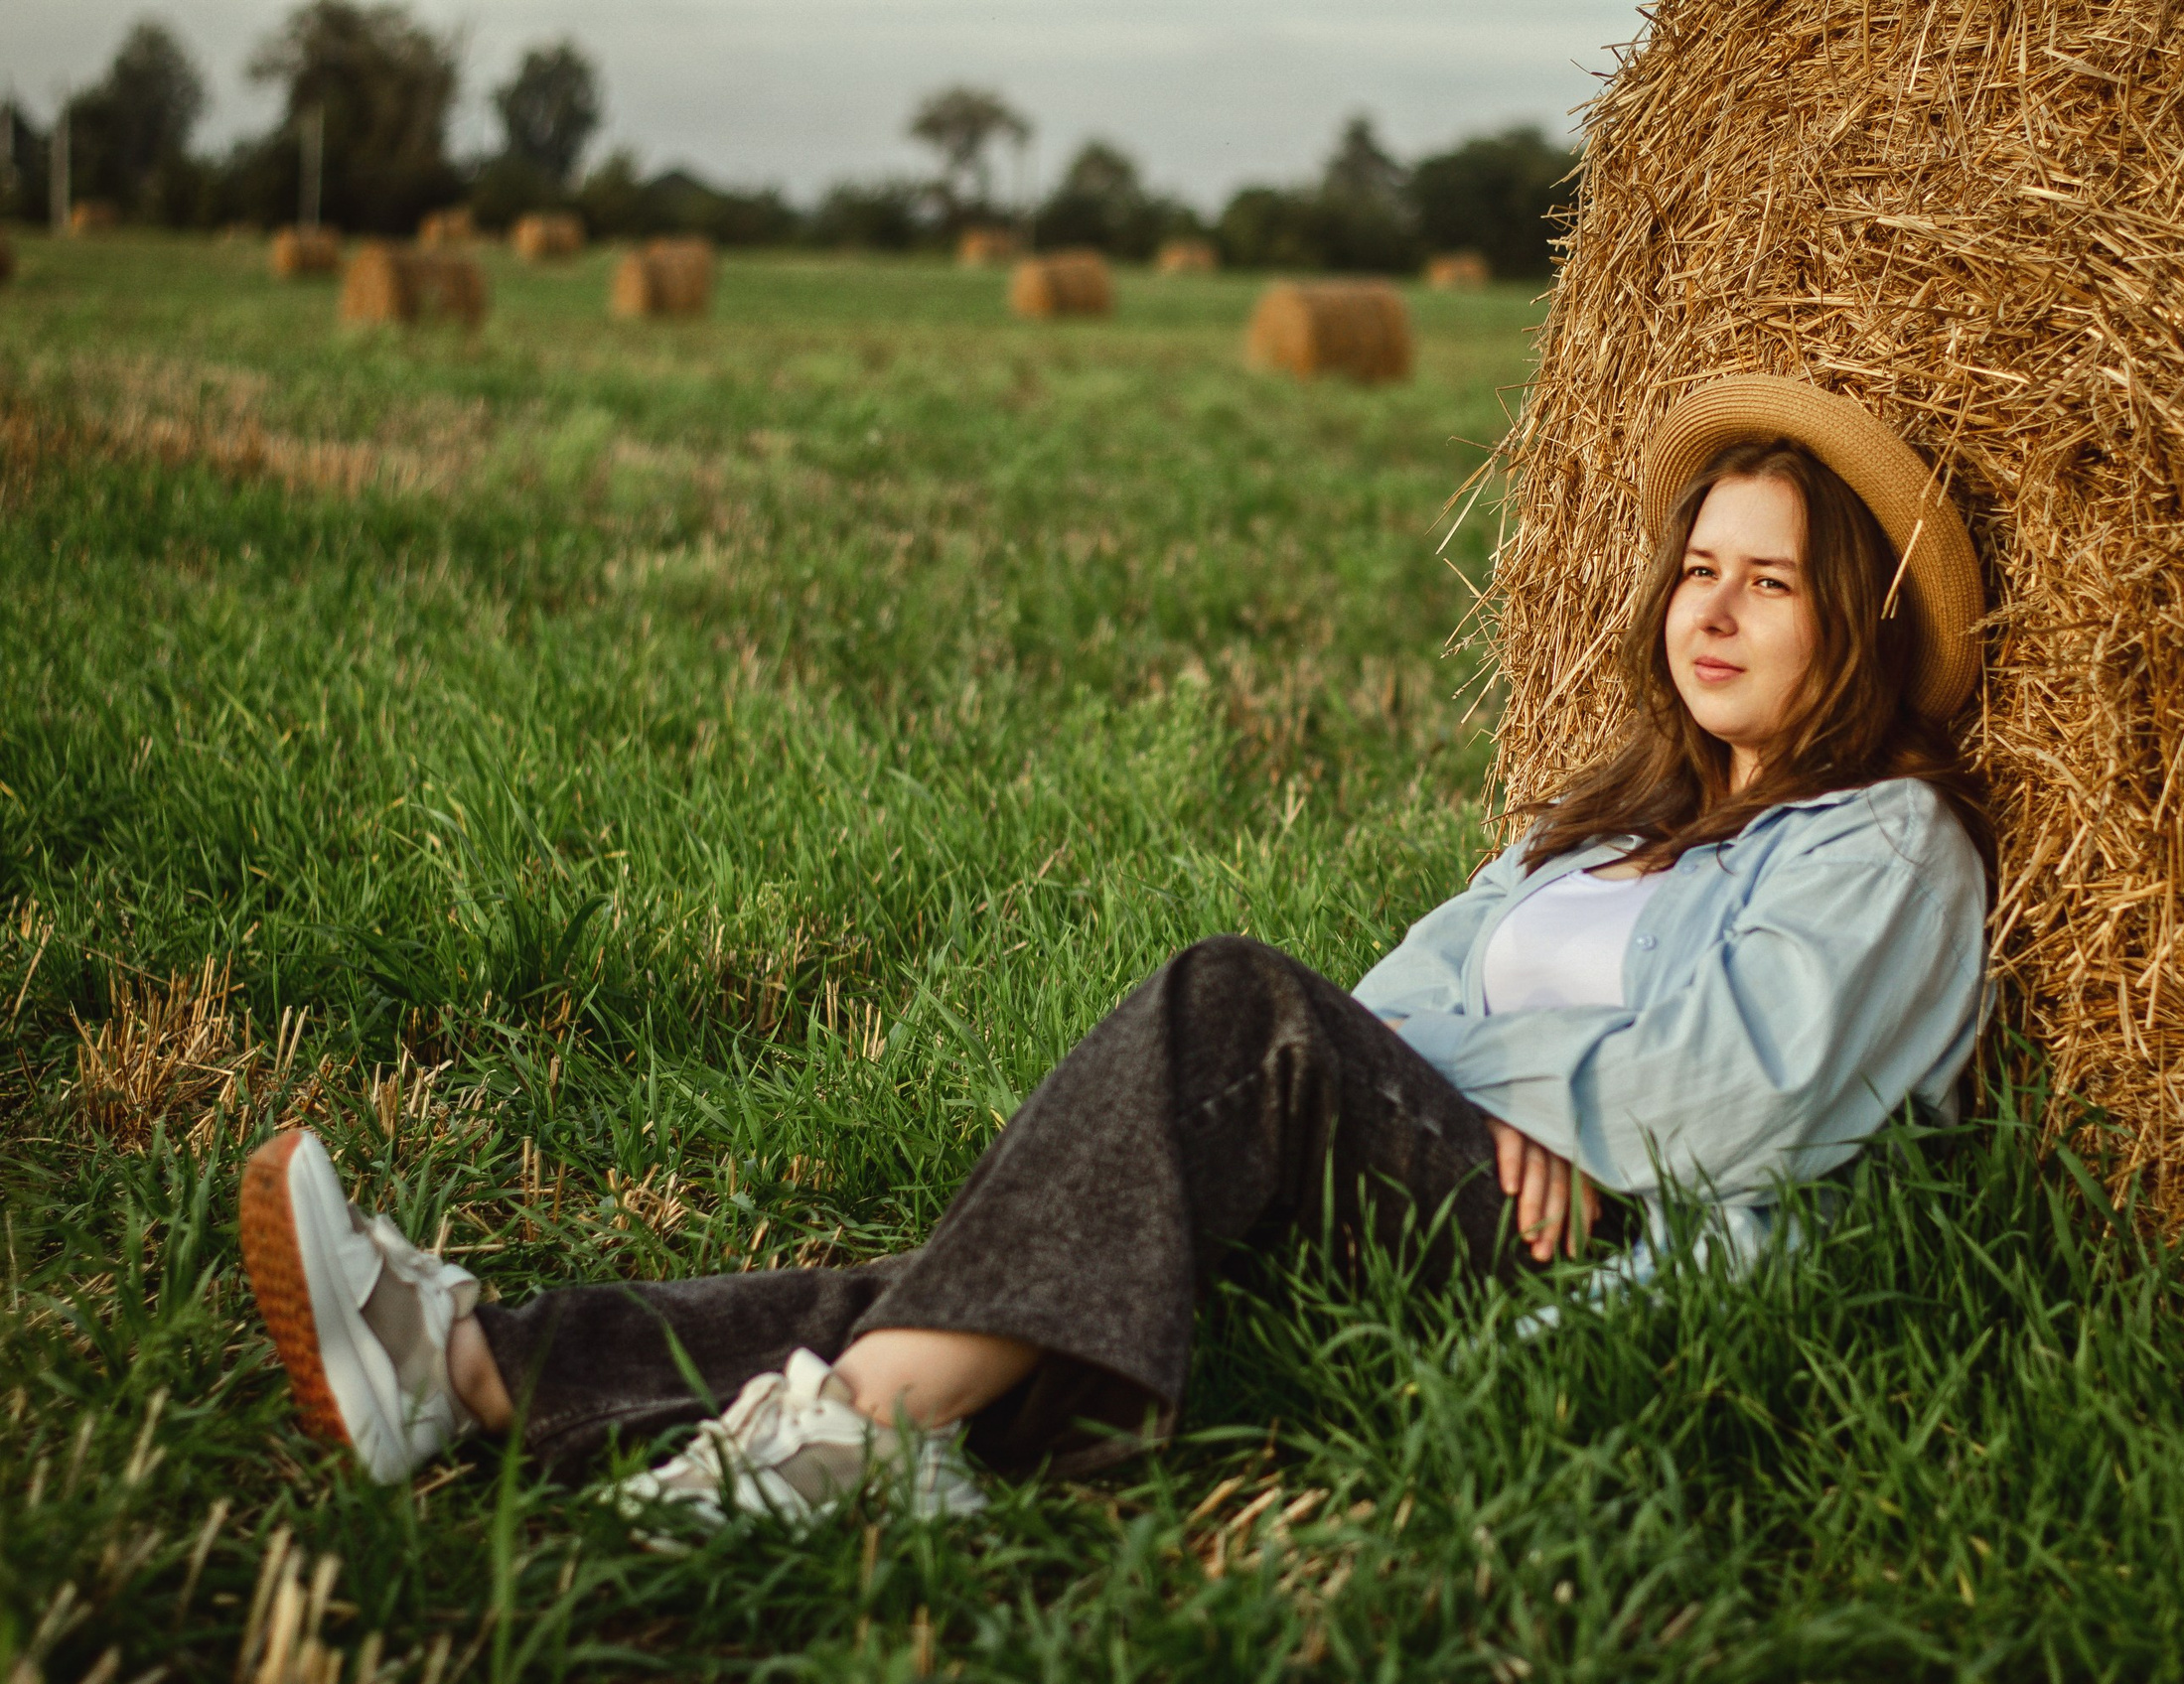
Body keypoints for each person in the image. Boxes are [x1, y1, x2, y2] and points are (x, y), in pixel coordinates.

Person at [237, 375, 1994, 1527]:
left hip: (1579, 1248)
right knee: (1026, 1273)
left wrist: (1493, 1108)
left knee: (1239, 1013)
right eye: (1698, 568)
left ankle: (829, 1438)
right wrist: (1476, 1099)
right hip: (1464, 1176)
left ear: (1856, 619)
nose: (1710, 610)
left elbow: (1739, 1087)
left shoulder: (1884, 844)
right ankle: (480, 1370)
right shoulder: (1604, 825)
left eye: (1770, 581)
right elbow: (1398, 998)